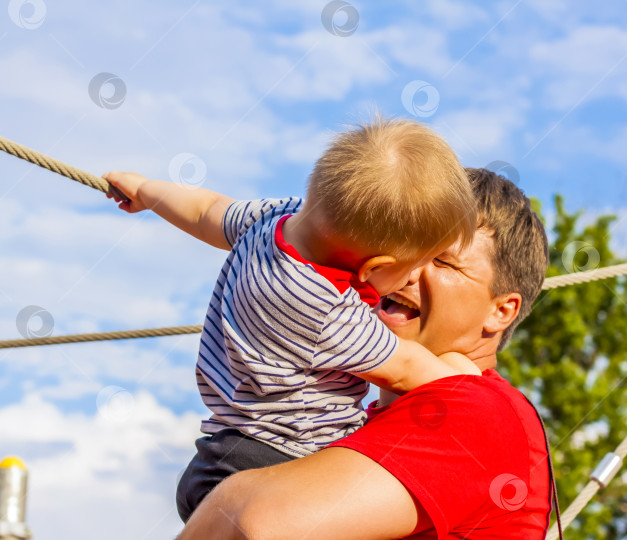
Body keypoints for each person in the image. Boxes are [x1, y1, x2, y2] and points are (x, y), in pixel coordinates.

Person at [102, 117, 482, 522]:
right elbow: (405, 368)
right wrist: (468, 385)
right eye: (414, 267)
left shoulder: (275, 221)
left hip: (222, 453)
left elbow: (207, 210)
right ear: (373, 267)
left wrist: (147, 190)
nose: (412, 279)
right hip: (278, 464)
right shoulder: (325, 308)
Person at [177, 168, 561, 539]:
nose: (407, 268)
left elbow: (250, 521)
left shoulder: (480, 411)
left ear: (501, 311)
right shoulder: (354, 422)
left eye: (442, 260)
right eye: (405, 244)